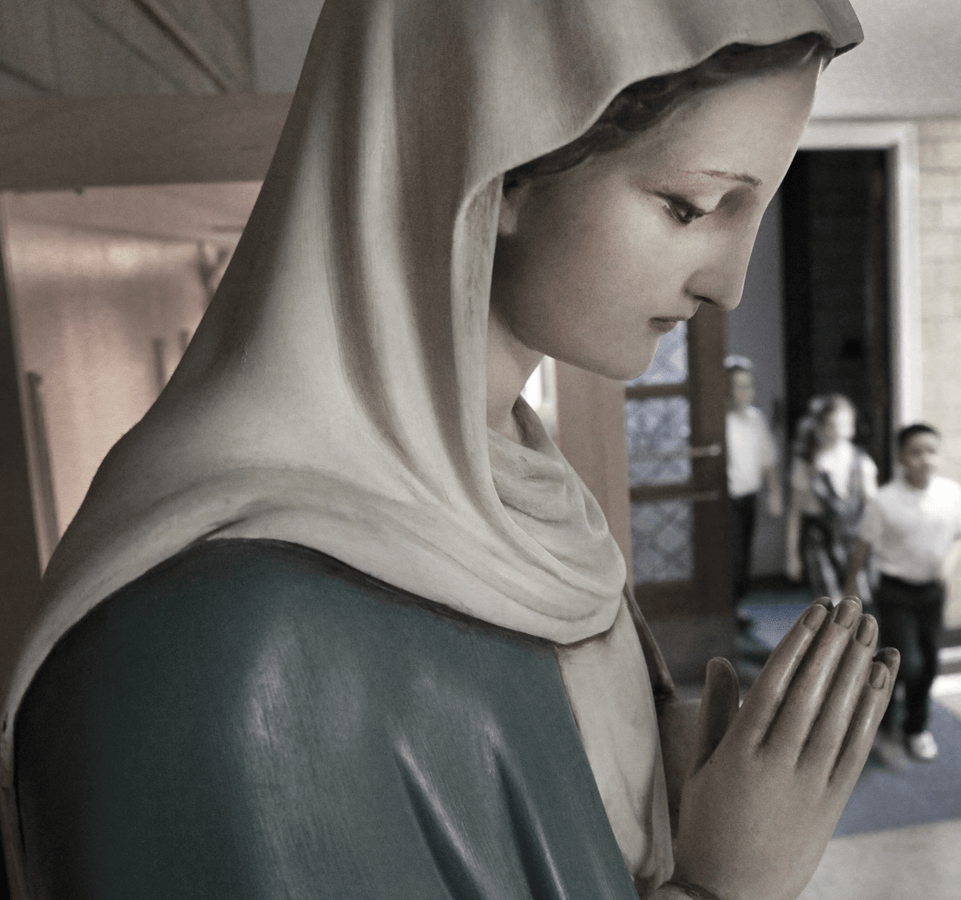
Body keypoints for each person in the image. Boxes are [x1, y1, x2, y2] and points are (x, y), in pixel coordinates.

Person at [0, 4, 901, 900]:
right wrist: (723, 886)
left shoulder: (528, 506)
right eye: (688, 205)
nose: (729, 282)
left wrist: (658, 782)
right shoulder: (215, 653)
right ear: (500, 162)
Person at [845, 423, 961, 762]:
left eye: (931, 451)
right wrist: (849, 587)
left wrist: (948, 565)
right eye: (916, 452)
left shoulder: (952, 493)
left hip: (932, 592)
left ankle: (916, 728)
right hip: (895, 591)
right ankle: (879, 718)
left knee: (929, 662)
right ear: (901, 457)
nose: (925, 459)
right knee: (907, 662)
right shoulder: (884, 501)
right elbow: (862, 546)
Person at [785, 394, 879, 605]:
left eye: (844, 424)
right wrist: (791, 555)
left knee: (856, 602)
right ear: (820, 427)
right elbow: (795, 512)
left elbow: (874, 509)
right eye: (832, 424)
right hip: (819, 541)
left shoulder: (862, 462)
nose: (838, 430)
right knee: (829, 604)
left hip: (854, 540)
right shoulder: (806, 464)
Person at [724, 355, 783, 623]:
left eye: (749, 385)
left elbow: (768, 459)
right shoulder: (719, 421)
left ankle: (737, 604)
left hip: (749, 496)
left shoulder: (756, 419)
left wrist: (774, 493)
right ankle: (726, 606)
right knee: (730, 555)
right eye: (738, 385)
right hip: (725, 498)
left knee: (745, 552)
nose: (745, 392)